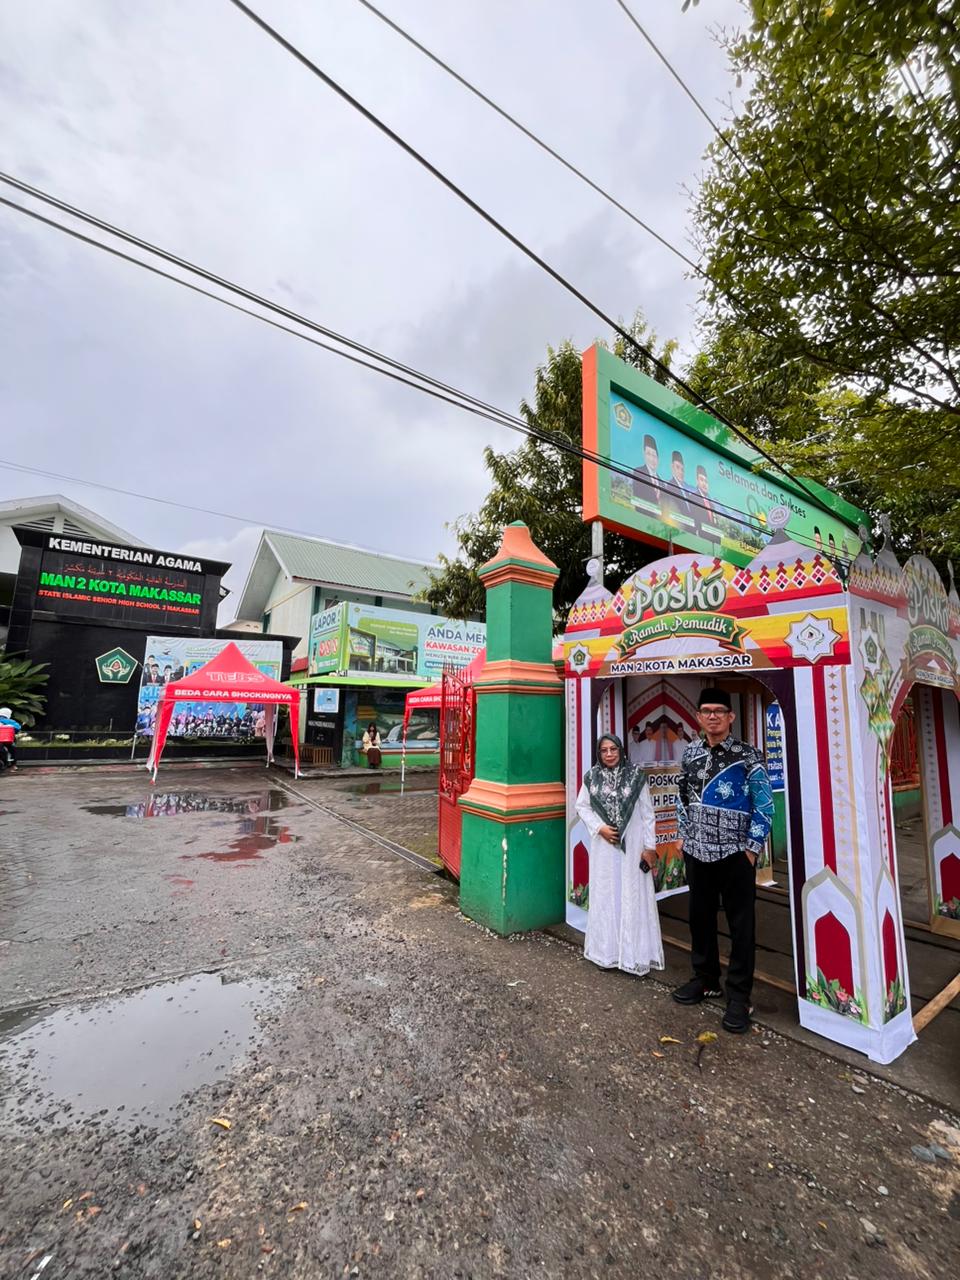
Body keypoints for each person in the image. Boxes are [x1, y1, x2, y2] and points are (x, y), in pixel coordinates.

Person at [672, 689, 774, 1033]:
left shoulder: (747, 756)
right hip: (697, 853)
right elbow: (682, 795)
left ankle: (739, 997)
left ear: (731, 717)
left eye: (719, 711)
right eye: (706, 711)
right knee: (699, 919)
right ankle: (706, 980)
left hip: (734, 855)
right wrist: (685, 834)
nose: (712, 716)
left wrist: (752, 848)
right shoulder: (690, 753)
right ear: (699, 717)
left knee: (741, 927)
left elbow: (765, 803)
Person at [575, 734, 663, 976]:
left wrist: (650, 847)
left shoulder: (636, 776)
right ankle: (607, 954)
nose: (609, 754)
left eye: (613, 749)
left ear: (621, 750)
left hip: (633, 847)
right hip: (604, 849)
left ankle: (635, 956)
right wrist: (599, 828)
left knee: (632, 895)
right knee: (607, 895)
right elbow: (581, 806)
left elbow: (647, 814)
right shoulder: (592, 777)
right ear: (599, 753)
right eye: (604, 750)